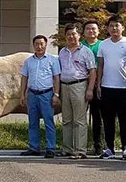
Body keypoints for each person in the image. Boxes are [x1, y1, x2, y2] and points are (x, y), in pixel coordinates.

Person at [96, 15, 126, 160]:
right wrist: (98, 84)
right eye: (111, 26)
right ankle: (109, 148)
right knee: (108, 120)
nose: (114, 28)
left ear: (122, 27)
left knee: (125, 121)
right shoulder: (103, 44)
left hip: (124, 87)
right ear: (107, 28)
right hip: (107, 86)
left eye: (117, 25)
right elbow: (100, 65)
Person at [57, 24, 97, 159]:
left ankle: (80, 150)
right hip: (64, 86)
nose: (71, 37)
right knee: (67, 119)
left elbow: (92, 71)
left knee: (79, 120)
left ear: (79, 36)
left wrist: (90, 89)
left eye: (73, 34)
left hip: (79, 86)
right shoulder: (62, 52)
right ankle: (67, 149)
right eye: (68, 34)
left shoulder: (86, 51)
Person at [19, 34, 61, 158]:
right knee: (33, 122)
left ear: (46, 45)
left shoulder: (52, 60)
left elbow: (56, 78)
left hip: (46, 94)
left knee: (49, 122)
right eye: (36, 44)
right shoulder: (28, 61)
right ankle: (34, 147)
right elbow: (24, 78)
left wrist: (56, 94)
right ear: (33, 45)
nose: (39, 46)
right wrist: (22, 95)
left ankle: (51, 148)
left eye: (42, 44)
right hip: (32, 94)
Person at [81, 21, 104, 156]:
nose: (91, 31)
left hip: (98, 85)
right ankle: (79, 145)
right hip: (81, 84)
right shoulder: (79, 45)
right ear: (83, 32)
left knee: (97, 116)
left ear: (98, 31)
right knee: (79, 117)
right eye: (88, 29)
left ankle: (98, 145)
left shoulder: (103, 45)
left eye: (94, 29)